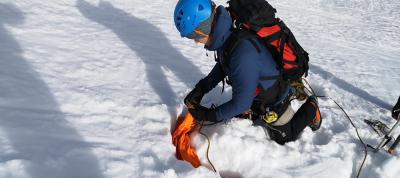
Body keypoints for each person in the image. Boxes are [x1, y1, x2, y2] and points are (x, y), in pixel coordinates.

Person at [173, 0, 322, 144]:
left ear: (202, 29)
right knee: (239, 114)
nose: (195, 41)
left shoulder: (242, 53)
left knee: (284, 136)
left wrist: (208, 115)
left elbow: (241, 103)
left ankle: (312, 107)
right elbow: (224, 64)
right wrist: (202, 88)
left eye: (193, 36)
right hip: (255, 89)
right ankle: (258, 108)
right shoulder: (224, 34)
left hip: (274, 95)